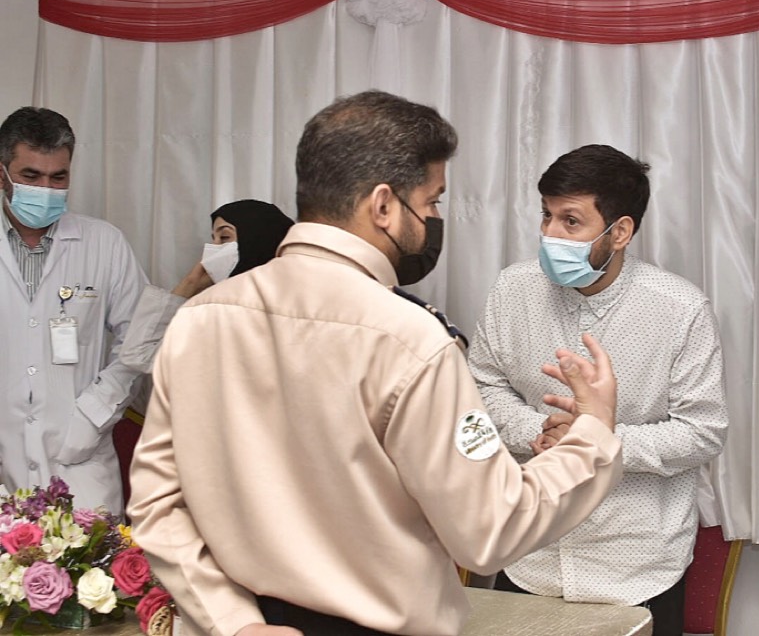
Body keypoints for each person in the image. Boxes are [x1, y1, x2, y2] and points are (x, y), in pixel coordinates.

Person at [128, 90, 624, 636]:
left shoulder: (199, 319)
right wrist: (592, 433)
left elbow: (157, 504)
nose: (434, 218)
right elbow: (491, 528)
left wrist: (233, 622)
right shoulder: (412, 341)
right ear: (384, 205)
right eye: (432, 201)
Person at [469, 143, 729, 636]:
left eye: (571, 221)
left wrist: (595, 439)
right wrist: (538, 431)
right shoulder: (512, 288)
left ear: (620, 232)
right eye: (546, 216)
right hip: (530, 551)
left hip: (635, 566)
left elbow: (702, 432)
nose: (550, 234)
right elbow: (483, 387)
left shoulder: (680, 309)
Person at [0, 106, 147, 515]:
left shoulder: (104, 243)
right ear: (2, 175)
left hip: (80, 462)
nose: (46, 189)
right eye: (31, 176)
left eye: (58, 177)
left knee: (86, 555)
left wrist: (94, 414)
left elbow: (139, 339)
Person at [119, 199, 294, 376]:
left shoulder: (292, 309)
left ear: (257, 239)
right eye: (213, 239)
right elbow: (139, 355)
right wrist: (190, 283)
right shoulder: (215, 312)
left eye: (224, 238)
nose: (213, 249)